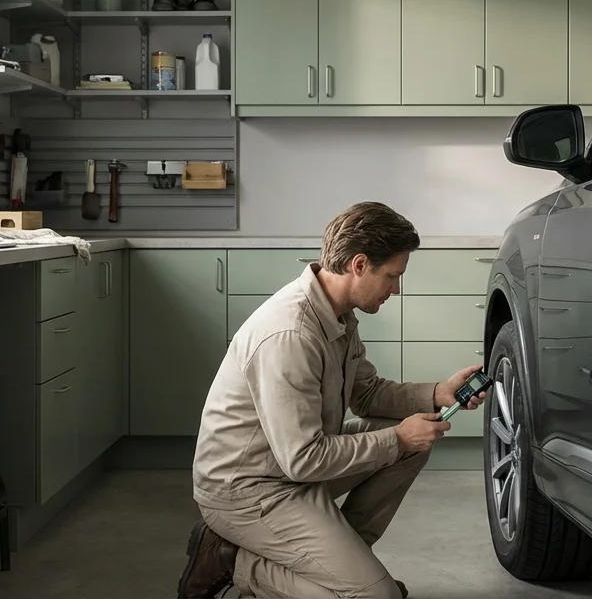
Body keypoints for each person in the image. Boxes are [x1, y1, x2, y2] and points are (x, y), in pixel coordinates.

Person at [177, 202, 488, 599]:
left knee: (411, 446)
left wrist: (437, 394)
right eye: (392, 276)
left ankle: (342, 569)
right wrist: (398, 439)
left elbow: (368, 393)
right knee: (379, 596)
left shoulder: (337, 314)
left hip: (289, 470)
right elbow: (304, 458)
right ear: (359, 265)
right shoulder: (290, 335)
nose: (397, 289)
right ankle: (236, 562)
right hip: (250, 490)